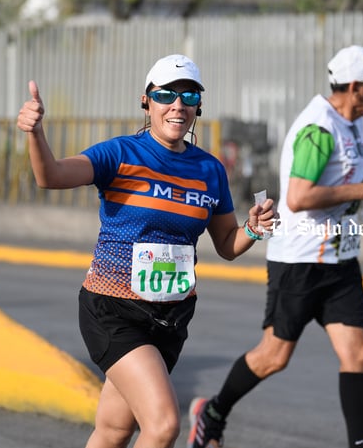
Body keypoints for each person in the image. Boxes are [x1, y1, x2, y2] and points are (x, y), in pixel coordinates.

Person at [16, 53, 276, 448]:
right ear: (146, 101)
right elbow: (50, 176)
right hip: (113, 309)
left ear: (198, 107)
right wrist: (35, 133)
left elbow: (226, 244)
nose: (177, 106)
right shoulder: (119, 154)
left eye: (189, 97)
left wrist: (253, 230)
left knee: (114, 430)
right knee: (163, 425)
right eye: (166, 95)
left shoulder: (209, 169)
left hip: (170, 317)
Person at [187, 45, 363, 448]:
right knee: (274, 357)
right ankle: (211, 413)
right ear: (356, 87)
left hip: (339, 261)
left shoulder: (352, 122)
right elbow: (299, 197)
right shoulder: (318, 129)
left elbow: (335, 188)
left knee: (359, 352)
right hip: (299, 263)